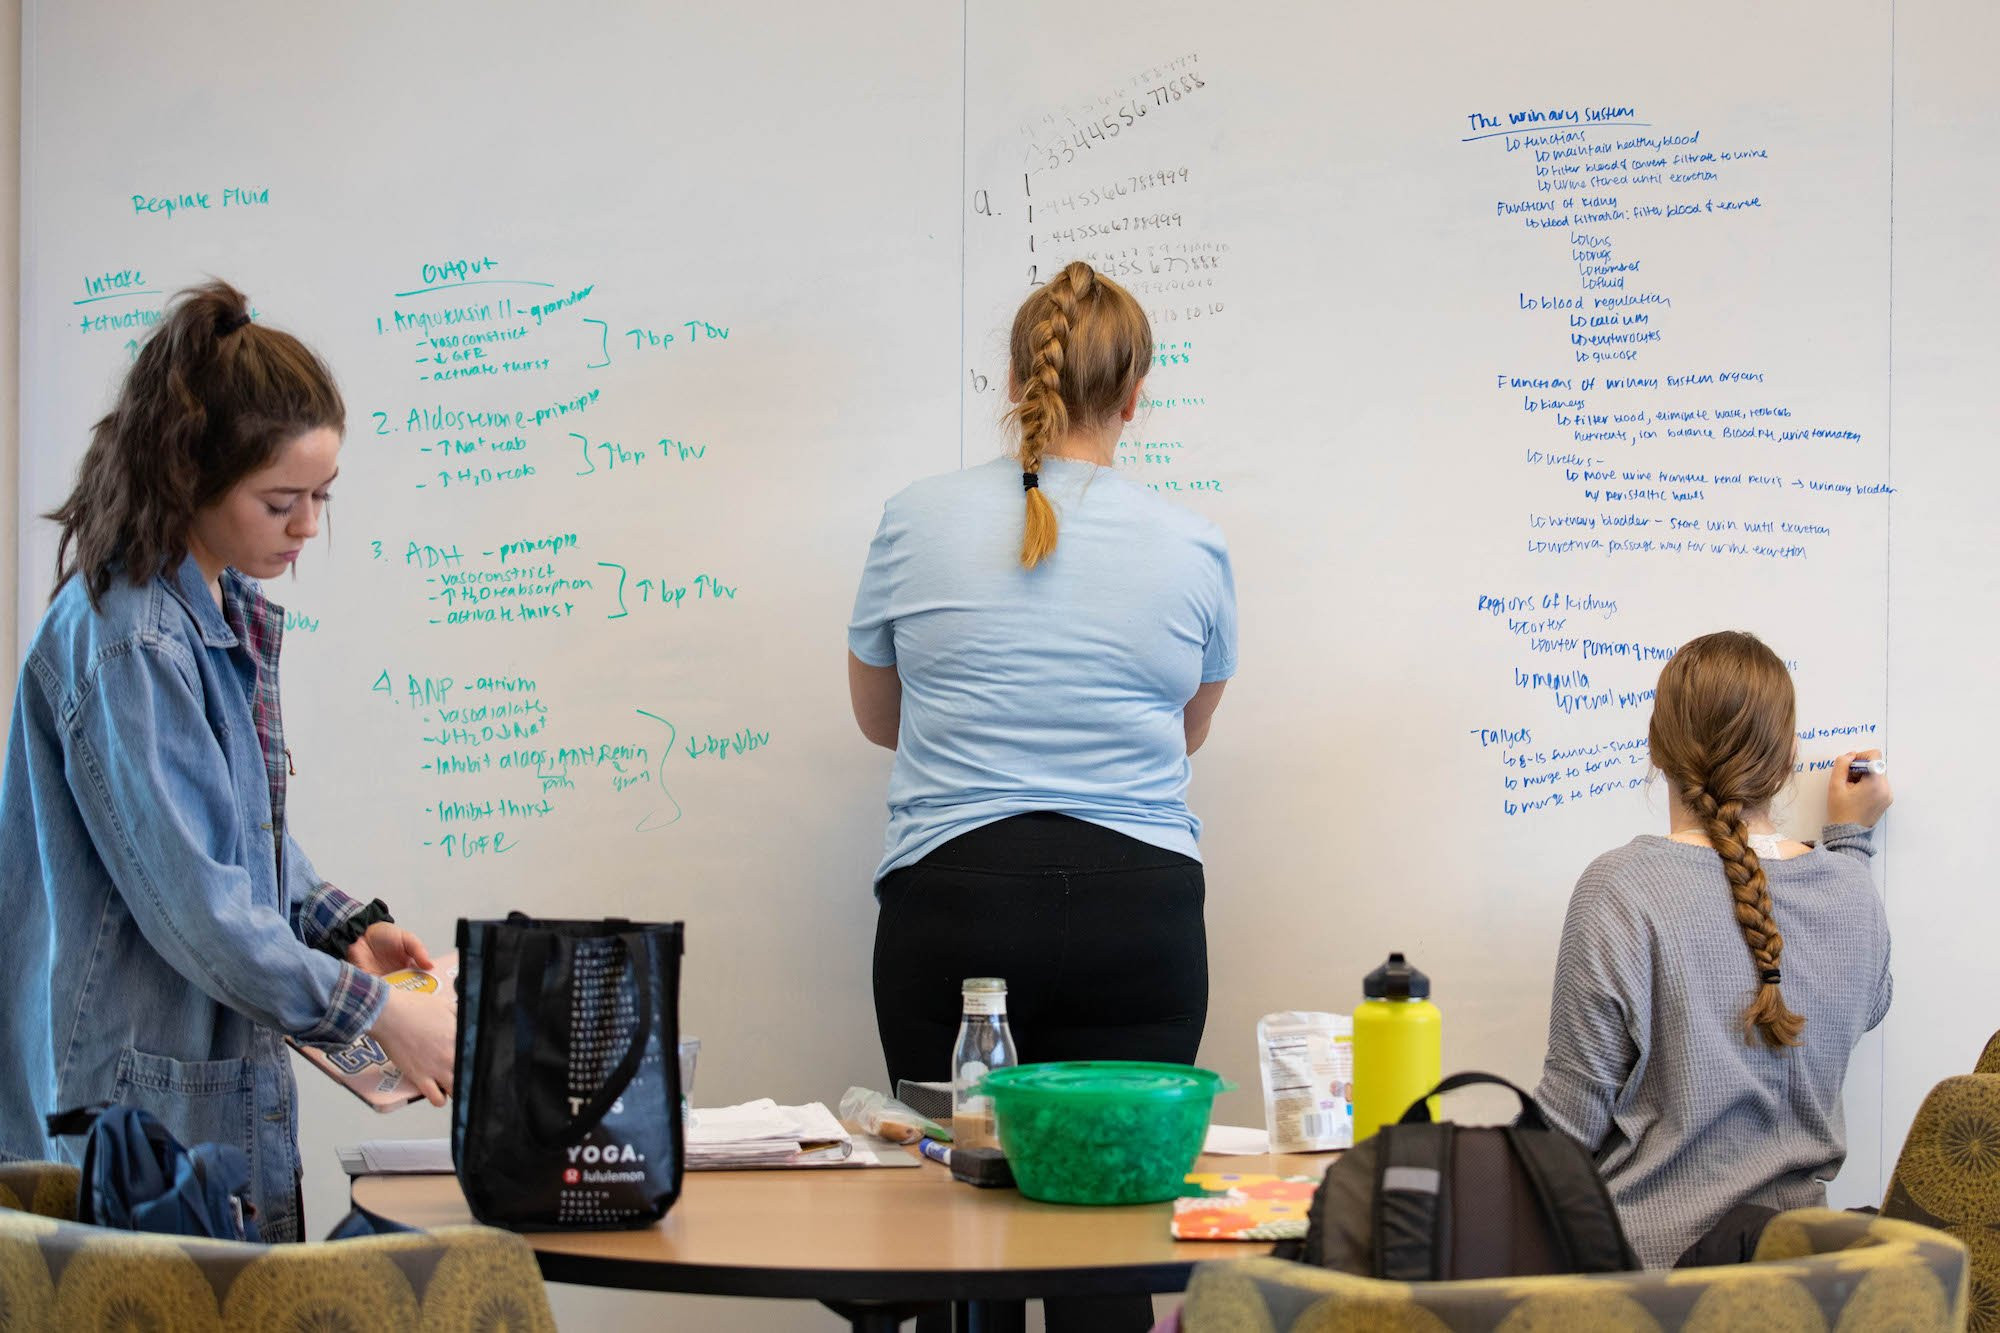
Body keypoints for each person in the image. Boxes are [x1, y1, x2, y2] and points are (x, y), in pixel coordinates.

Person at [0, 281, 457, 1242]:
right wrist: (375, 1012)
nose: (307, 527)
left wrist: (343, 927)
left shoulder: (209, 615)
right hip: (132, 1097)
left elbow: (242, 834)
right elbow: (202, 907)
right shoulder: (132, 640)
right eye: (281, 500)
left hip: (182, 1086)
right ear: (190, 476)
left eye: (321, 498)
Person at [848, 260, 1235, 1331]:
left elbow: (879, 722)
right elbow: (1185, 731)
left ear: (1015, 376)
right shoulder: (1192, 543)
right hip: (1139, 911)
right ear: (1134, 394)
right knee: (1111, 1249)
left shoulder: (911, 520)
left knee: (959, 1235)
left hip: (954, 901)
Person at [1533, 630, 1894, 1269]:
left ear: (1655, 749)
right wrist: (1851, 842)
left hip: (1648, 1287)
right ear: (1787, 760)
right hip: (1796, 1286)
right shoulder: (1850, 892)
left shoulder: (1621, 889)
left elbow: (1567, 1131)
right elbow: (1867, 1000)